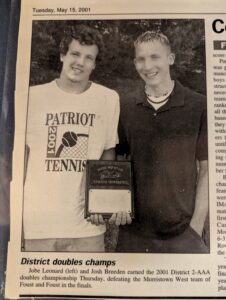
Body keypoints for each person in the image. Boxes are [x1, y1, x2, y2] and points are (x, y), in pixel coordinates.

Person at [23, 25, 120, 252]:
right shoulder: (32, 97)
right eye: (75, 54)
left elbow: (107, 151)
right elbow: (22, 158)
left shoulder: (108, 98)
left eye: (89, 57)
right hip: (38, 225)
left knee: (87, 287)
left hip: (87, 228)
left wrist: (101, 202)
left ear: (95, 64)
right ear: (62, 55)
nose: (80, 62)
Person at [116, 31, 209, 253]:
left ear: (171, 58)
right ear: (134, 62)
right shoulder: (125, 106)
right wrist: (115, 202)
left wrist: (195, 226)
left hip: (183, 232)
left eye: (155, 57)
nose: (147, 66)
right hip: (133, 233)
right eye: (141, 58)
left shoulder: (198, 105)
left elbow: (208, 169)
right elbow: (117, 161)